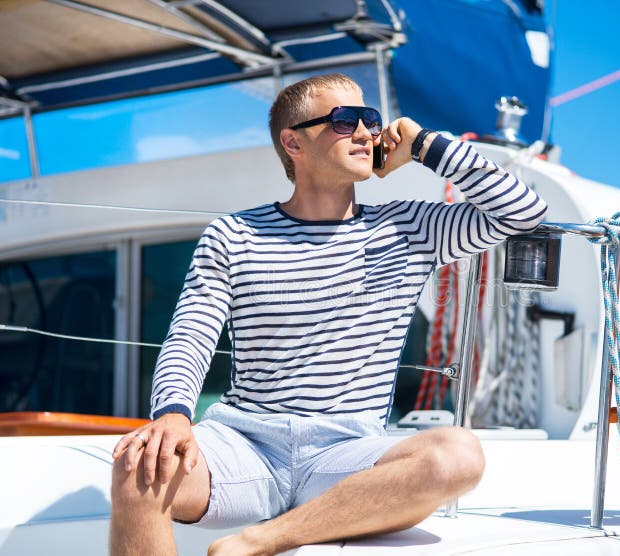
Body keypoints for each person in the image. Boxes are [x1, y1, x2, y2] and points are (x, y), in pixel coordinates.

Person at [109, 73, 547, 556]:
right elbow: (191, 334)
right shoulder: (233, 235)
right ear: (292, 142)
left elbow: (523, 214)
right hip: (246, 443)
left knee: (458, 455)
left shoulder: (410, 227)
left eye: (370, 120)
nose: (365, 132)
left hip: (349, 452)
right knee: (139, 466)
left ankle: (259, 542)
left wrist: (423, 145)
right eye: (344, 120)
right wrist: (172, 414)